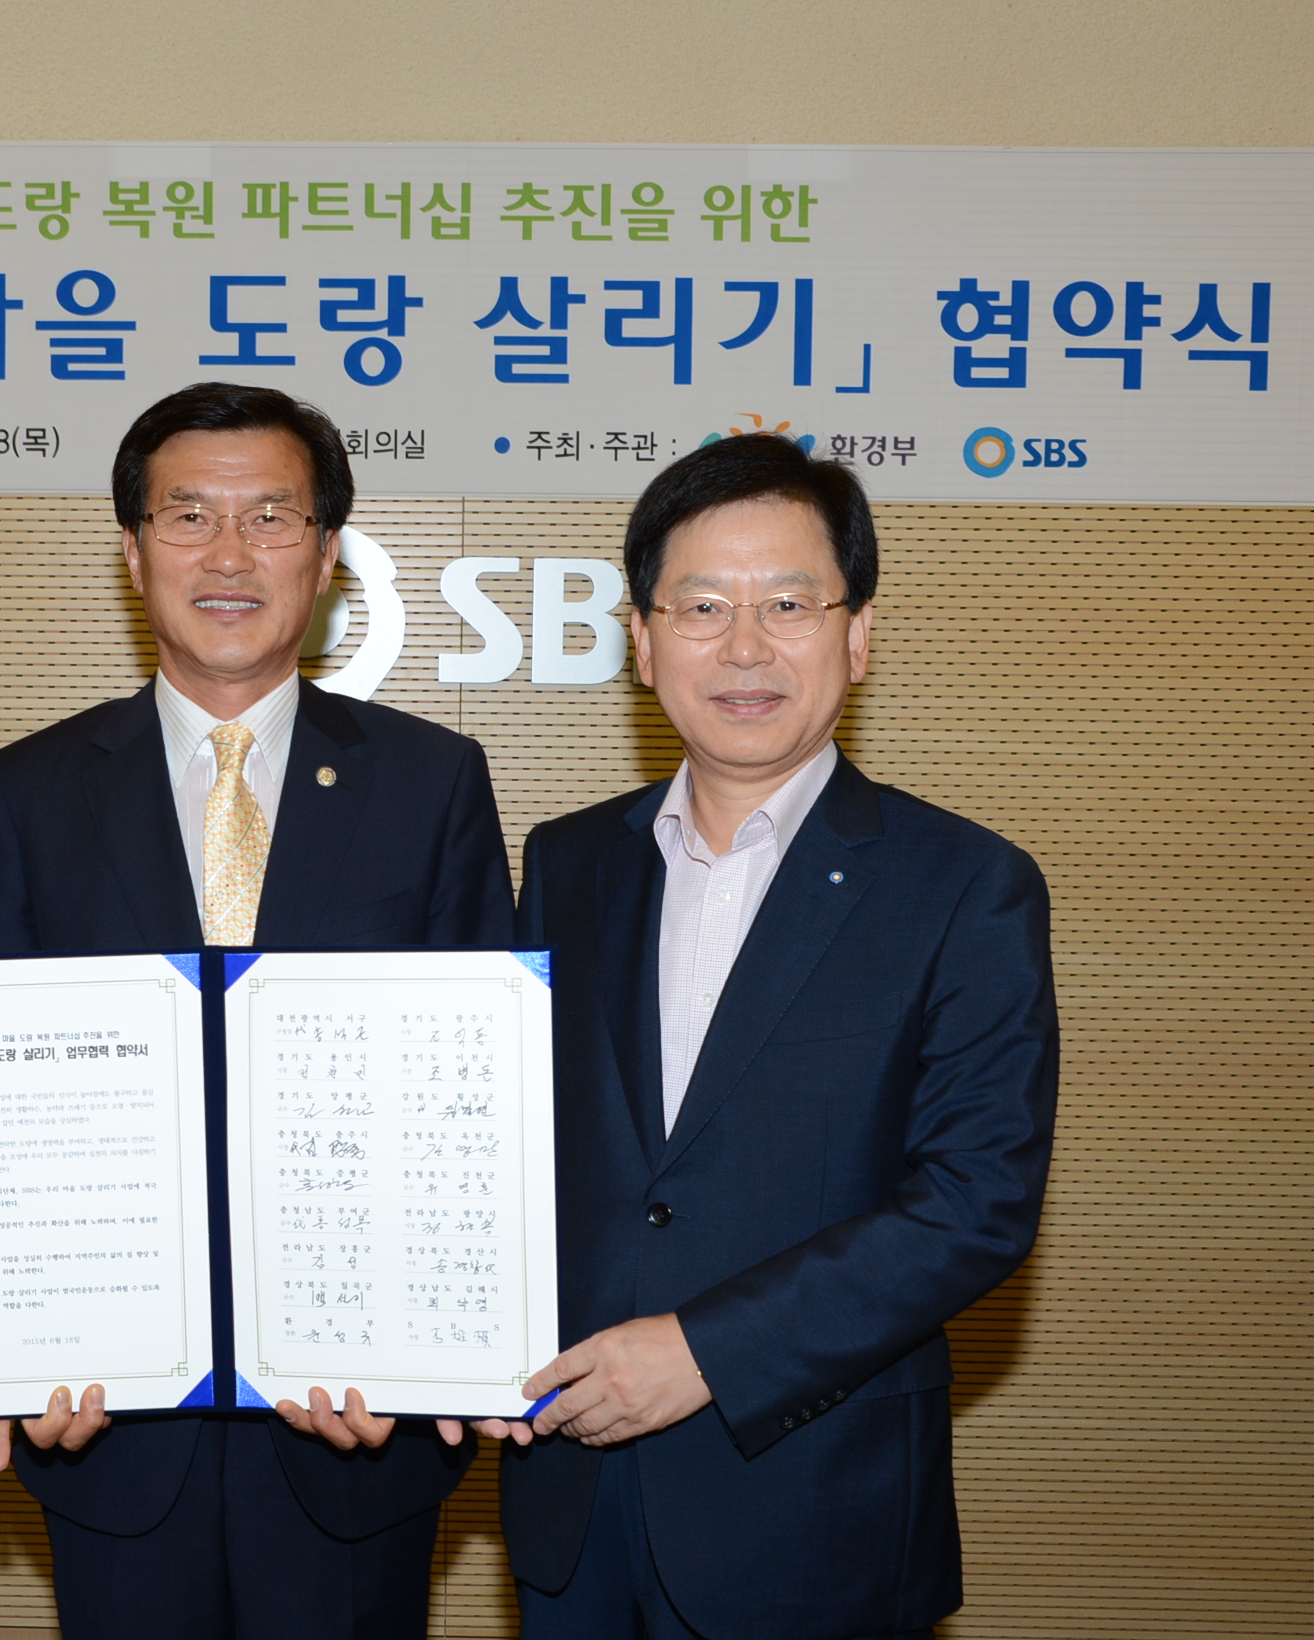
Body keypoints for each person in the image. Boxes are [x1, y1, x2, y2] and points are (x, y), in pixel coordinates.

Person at [0, 381, 516, 1637]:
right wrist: (13, 1343)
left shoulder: (431, 779)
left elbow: (477, 1106)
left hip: (356, 1416)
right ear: (132, 550)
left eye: (270, 517)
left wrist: (430, 1346)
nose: (228, 554)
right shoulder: (28, 789)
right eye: (188, 515)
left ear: (326, 555)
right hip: (107, 1420)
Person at [496, 433, 1059, 1639]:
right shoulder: (568, 862)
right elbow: (508, 1152)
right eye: (702, 606)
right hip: (570, 1499)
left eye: (788, 604)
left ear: (857, 635)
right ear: (641, 641)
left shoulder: (965, 883)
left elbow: (975, 1202)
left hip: (811, 1510)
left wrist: (704, 1350)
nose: (744, 646)